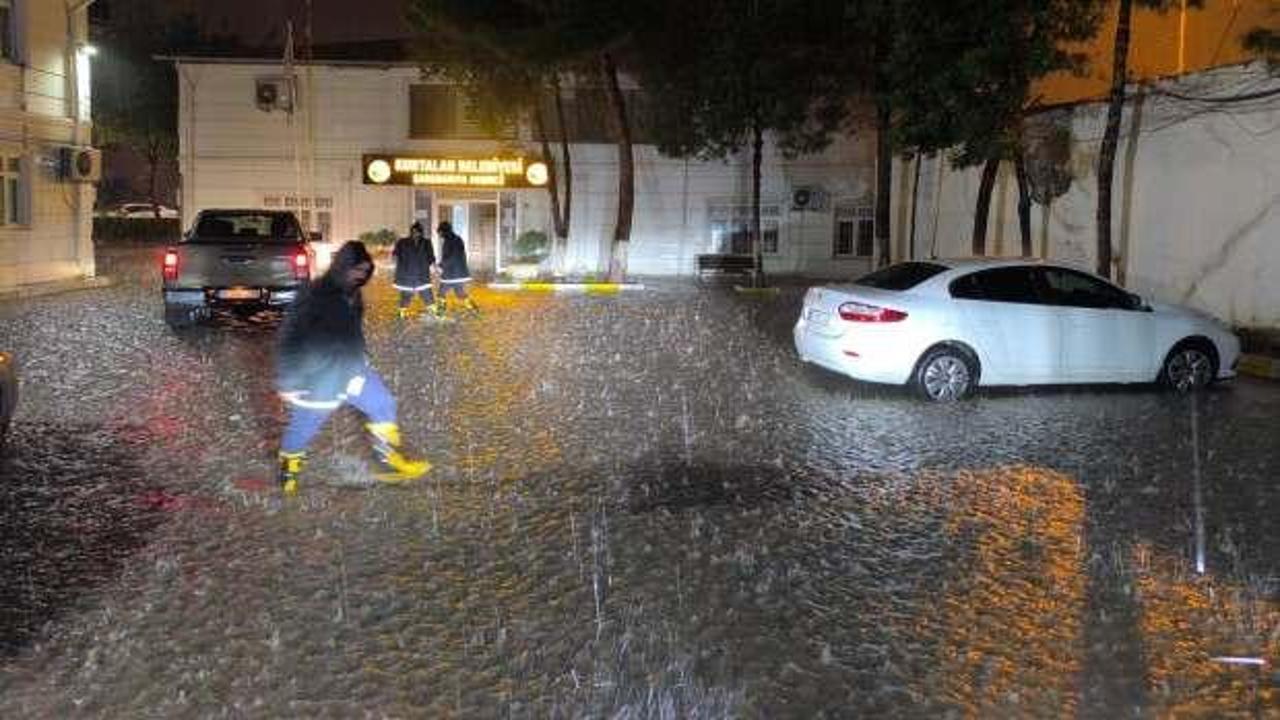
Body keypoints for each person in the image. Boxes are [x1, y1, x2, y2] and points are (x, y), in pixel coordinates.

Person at [275, 240, 430, 494]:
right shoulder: (313, 294)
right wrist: (288, 381)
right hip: (318, 377)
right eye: (356, 270)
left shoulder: (353, 294)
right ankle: (288, 472)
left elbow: (351, 330)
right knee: (304, 427)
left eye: (365, 272)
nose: (361, 276)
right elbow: (289, 336)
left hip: (352, 369)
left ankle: (387, 463)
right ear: (342, 267)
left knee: (382, 403)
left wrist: (361, 356)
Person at [392, 221, 438, 319]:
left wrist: (434, 266)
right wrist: (395, 263)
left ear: (421, 232)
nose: (415, 233)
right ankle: (401, 313)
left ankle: (434, 312)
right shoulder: (402, 242)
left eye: (418, 232)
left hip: (422, 273)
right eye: (413, 231)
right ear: (411, 231)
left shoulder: (426, 242)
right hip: (406, 273)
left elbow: (431, 256)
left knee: (426, 293)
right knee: (406, 294)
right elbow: (395, 254)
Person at [435, 221, 479, 316]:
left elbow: (452, 257)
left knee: (441, 293)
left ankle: (440, 313)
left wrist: (441, 265)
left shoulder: (451, 240)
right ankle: (473, 308)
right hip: (458, 273)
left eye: (439, 232)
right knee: (459, 293)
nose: (439, 235)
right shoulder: (456, 239)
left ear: (443, 231)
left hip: (452, 274)